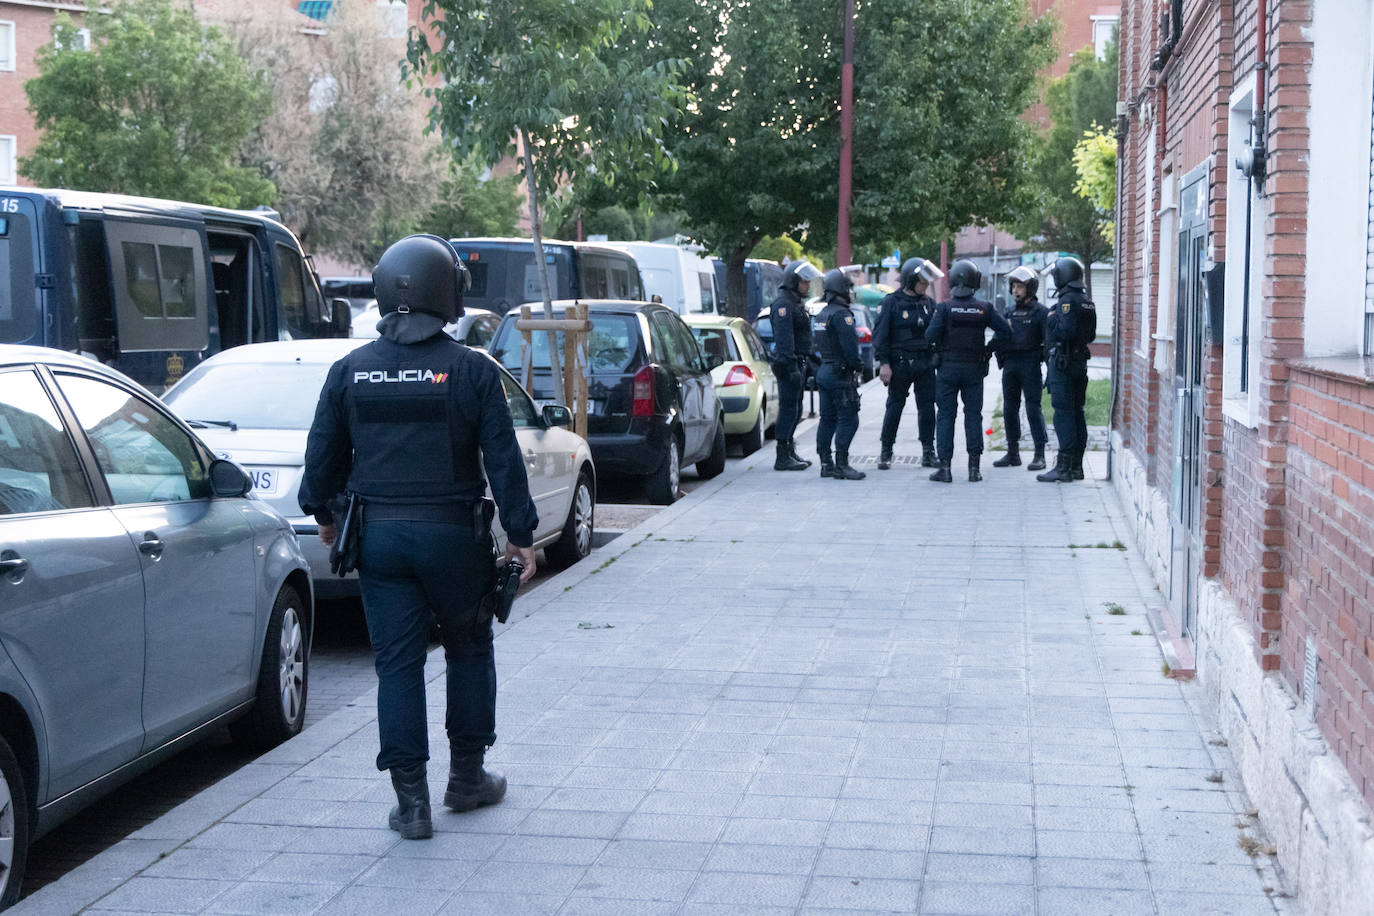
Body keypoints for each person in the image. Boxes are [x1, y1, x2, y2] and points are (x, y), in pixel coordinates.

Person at [300, 234, 539, 840]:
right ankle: (467, 777)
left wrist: (326, 517)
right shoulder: (473, 371)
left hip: (379, 540)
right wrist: (521, 535)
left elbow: (321, 461)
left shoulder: (348, 371)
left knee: (398, 666)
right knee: (469, 649)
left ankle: (411, 805)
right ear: (447, 293)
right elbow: (503, 459)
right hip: (454, 538)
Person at [924, 259, 1012, 483]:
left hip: (947, 369)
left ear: (953, 280)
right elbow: (1006, 332)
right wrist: (988, 349)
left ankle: (945, 468)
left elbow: (929, 336)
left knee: (946, 416)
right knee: (973, 415)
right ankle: (974, 469)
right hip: (974, 368)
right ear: (975, 281)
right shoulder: (984, 308)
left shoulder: (944, 308)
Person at [873, 257, 944, 470]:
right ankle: (886, 451)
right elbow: (880, 336)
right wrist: (884, 363)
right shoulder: (891, 302)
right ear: (910, 280)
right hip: (900, 364)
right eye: (922, 281)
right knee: (894, 407)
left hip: (925, 363)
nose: (926, 285)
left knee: (927, 408)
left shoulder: (929, 303)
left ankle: (928, 452)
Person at [1037, 256, 1097, 482]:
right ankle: (1076, 466)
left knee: (1063, 414)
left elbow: (1065, 331)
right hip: (1079, 362)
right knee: (1077, 412)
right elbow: (1090, 335)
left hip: (1063, 363)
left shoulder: (1066, 301)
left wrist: (1051, 317)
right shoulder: (1087, 301)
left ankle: (1063, 467)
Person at [991, 265, 1049, 471]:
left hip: (1030, 365)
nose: (1016, 290)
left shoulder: (1041, 313)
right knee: (1009, 408)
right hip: (1010, 365)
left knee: (1033, 409)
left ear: (1030, 288)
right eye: (1014, 286)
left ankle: (1040, 454)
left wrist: (1051, 372)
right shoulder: (1008, 312)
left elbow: (1048, 344)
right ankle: (1013, 453)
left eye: (1020, 286)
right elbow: (998, 337)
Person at [766, 259, 822, 471]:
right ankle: (782, 456)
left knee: (796, 409)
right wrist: (791, 368)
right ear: (793, 282)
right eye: (804, 282)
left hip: (798, 362)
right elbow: (784, 341)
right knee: (788, 409)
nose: (807, 286)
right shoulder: (783, 305)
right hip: (788, 364)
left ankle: (790, 450)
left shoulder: (796, 304)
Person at [815, 268, 866, 480]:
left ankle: (825, 463)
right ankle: (841, 465)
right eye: (848, 288)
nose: (850, 293)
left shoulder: (821, 314)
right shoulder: (842, 315)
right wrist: (858, 366)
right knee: (849, 419)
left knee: (827, 419)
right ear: (840, 290)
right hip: (840, 374)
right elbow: (850, 348)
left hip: (825, 370)